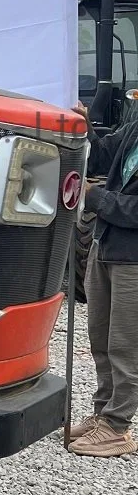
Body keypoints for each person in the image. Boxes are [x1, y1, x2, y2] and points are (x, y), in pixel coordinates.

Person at [68, 100, 138, 456]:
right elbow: (97, 158)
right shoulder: (133, 132)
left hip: (133, 258)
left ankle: (117, 426)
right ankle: (103, 414)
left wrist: (97, 199)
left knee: (126, 346)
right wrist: (84, 128)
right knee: (100, 337)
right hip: (107, 246)